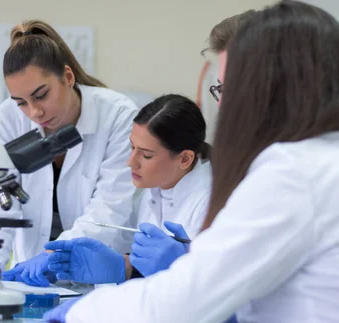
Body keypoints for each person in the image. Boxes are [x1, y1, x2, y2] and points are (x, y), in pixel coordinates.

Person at [44, 2, 339, 323]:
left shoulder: (298, 173)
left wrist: (78, 312)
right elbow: (276, 311)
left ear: (275, 88)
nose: (223, 105)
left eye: (228, 88)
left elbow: (172, 313)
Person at [0, 21, 138, 284]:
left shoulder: (117, 115)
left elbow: (109, 208)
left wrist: (53, 255)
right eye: (21, 102)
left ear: (68, 77)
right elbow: (0, 208)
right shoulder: (6, 121)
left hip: (99, 277)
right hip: (30, 278)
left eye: (41, 95)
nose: (35, 112)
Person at [43, 94, 212, 284]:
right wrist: (70, 257)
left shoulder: (211, 204)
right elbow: (123, 241)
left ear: (184, 159)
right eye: (132, 148)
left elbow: (209, 287)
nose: (131, 162)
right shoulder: (153, 191)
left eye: (146, 155)